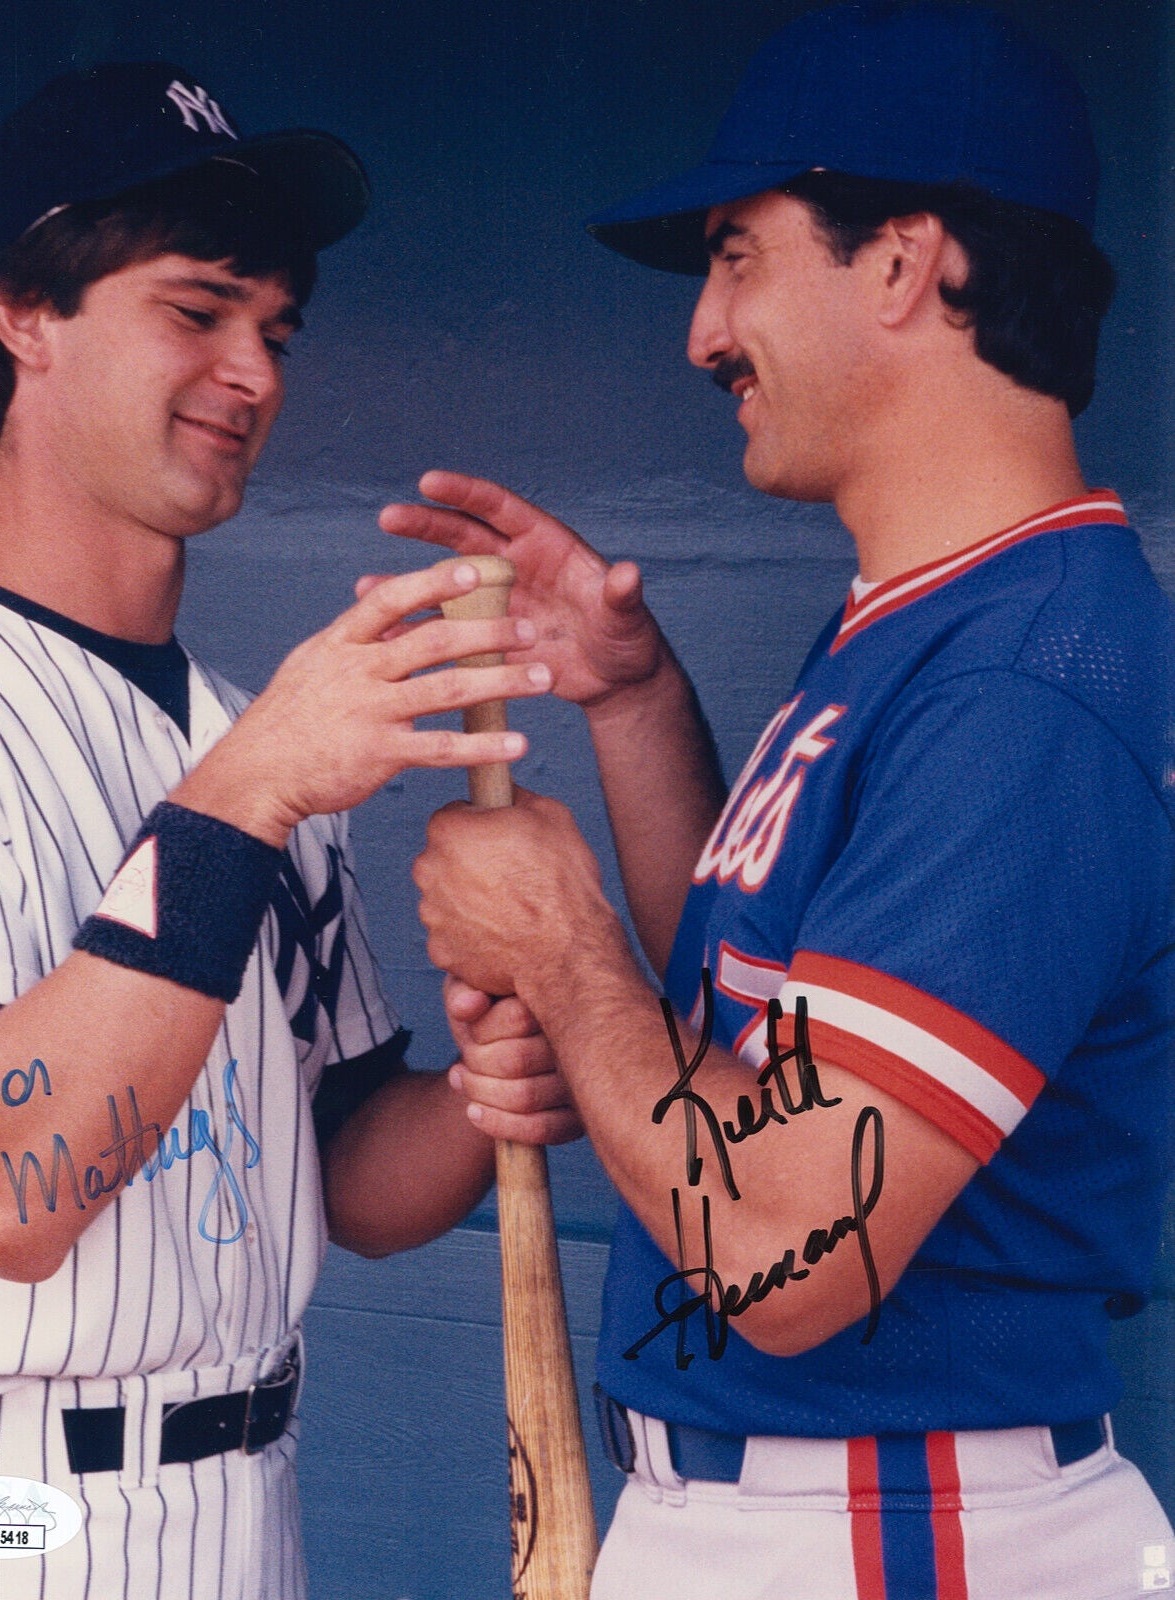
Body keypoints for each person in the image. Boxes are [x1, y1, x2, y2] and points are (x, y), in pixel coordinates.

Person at [386, 5, 1175, 1596]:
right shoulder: (925, 626)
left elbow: (783, 1244)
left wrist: (560, 944)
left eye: (740, 254)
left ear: (901, 262)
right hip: (810, 1512)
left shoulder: (1029, 678)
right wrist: (636, 703)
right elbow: (755, 1055)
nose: (702, 329)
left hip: (893, 1522)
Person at [0, 62, 573, 1599]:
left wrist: (522, 1055)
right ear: (21, 309)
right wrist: (251, 793)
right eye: (197, 312)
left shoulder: (241, 726)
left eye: (275, 329)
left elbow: (353, 1185)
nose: (254, 372)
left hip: (247, 1508)